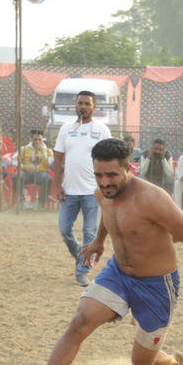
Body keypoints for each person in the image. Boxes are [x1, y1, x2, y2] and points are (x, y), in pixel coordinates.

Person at [12, 138, 183, 365]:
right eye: (98, 175)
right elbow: (108, 212)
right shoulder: (103, 193)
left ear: (128, 169)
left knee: (143, 364)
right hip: (119, 273)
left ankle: (174, 362)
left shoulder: (153, 199)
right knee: (79, 323)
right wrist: (99, 241)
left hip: (157, 286)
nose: (104, 182)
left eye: (111, 175)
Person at [52, 90, 110, 286]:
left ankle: (83, 270)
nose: (83, 106)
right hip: (68, 191)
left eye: (87, 103)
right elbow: (58, 159)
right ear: (75, 106)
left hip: (93, 191)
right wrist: (58, 185)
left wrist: (105, 184)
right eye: (80, 103)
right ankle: (80, 254)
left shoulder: (102, 130)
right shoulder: (65, 129)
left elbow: (108, 159)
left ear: (94, 107)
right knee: (64, 229)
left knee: (90, 232)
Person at [16, 130, 53, 209]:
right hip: (26, 173)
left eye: (40, 140)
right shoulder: (24, 149)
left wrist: (42, 151)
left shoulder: (48, 150)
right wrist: (24, 167)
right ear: (31, 139)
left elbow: (49, 164)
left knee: (48, 179)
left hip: (40, 173)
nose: (37, 142)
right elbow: (13, 161)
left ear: (43, 139)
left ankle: (39, 202)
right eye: (35, 139)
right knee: (16, 176)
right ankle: (23, 201)